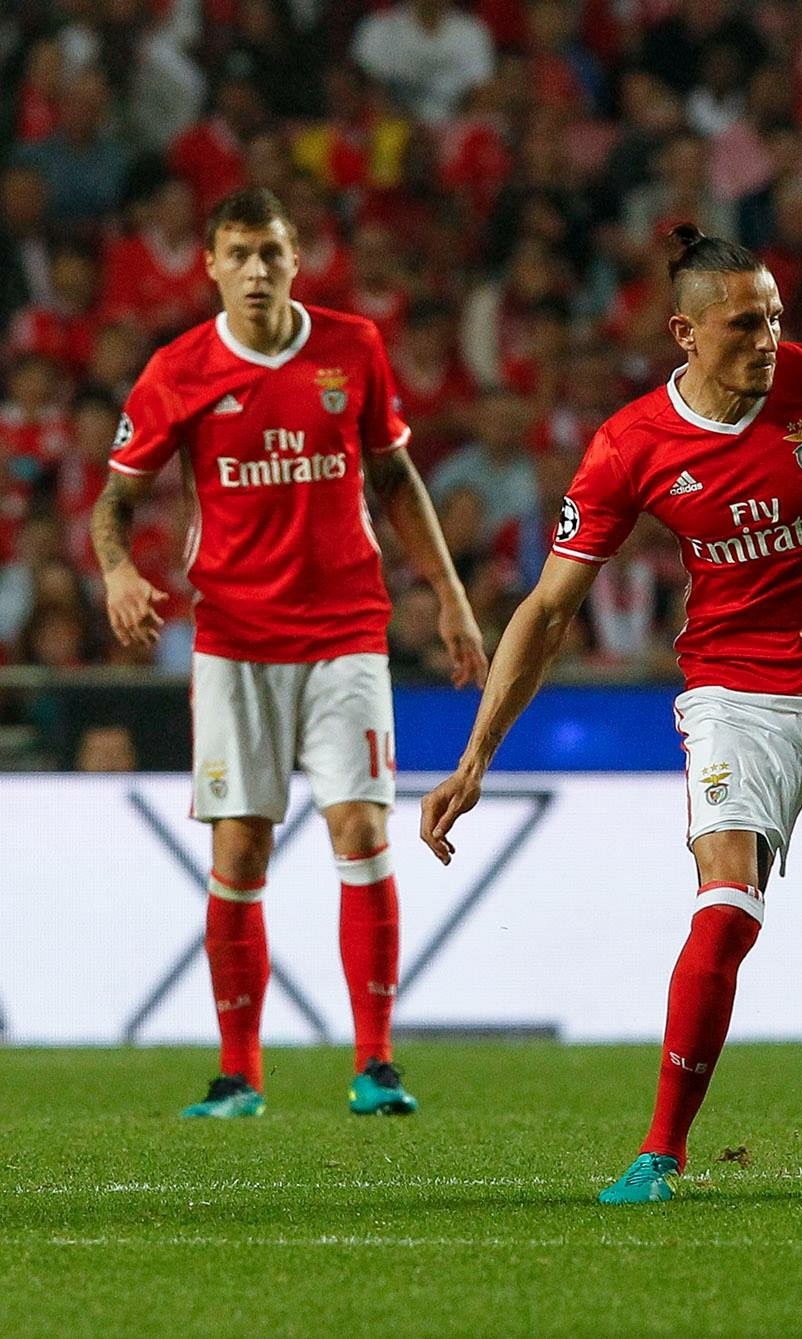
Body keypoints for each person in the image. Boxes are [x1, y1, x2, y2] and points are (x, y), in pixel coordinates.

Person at [419, 226, 802, 1206]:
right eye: (744, 322)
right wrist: (475, 755)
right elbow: (547, 608)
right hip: (734, 691)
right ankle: (660, 1151)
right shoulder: (632, 446)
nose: (768, 337)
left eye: (776, 317)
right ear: (686, 331)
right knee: (725, 907)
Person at [92, 186, 487, 1120]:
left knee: (361, 829)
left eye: (272, 253)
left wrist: (450, 594)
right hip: (232, 640)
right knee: (240, 845)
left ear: (296, 259)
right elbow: (115, 498)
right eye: (240, 254)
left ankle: (378, 1063)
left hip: (346, 627)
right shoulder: (178, 369)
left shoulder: (353, 349)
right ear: (212, 267)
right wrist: (115, 571)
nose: (258, 270)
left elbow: (393, 476)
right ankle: (240, 1074)